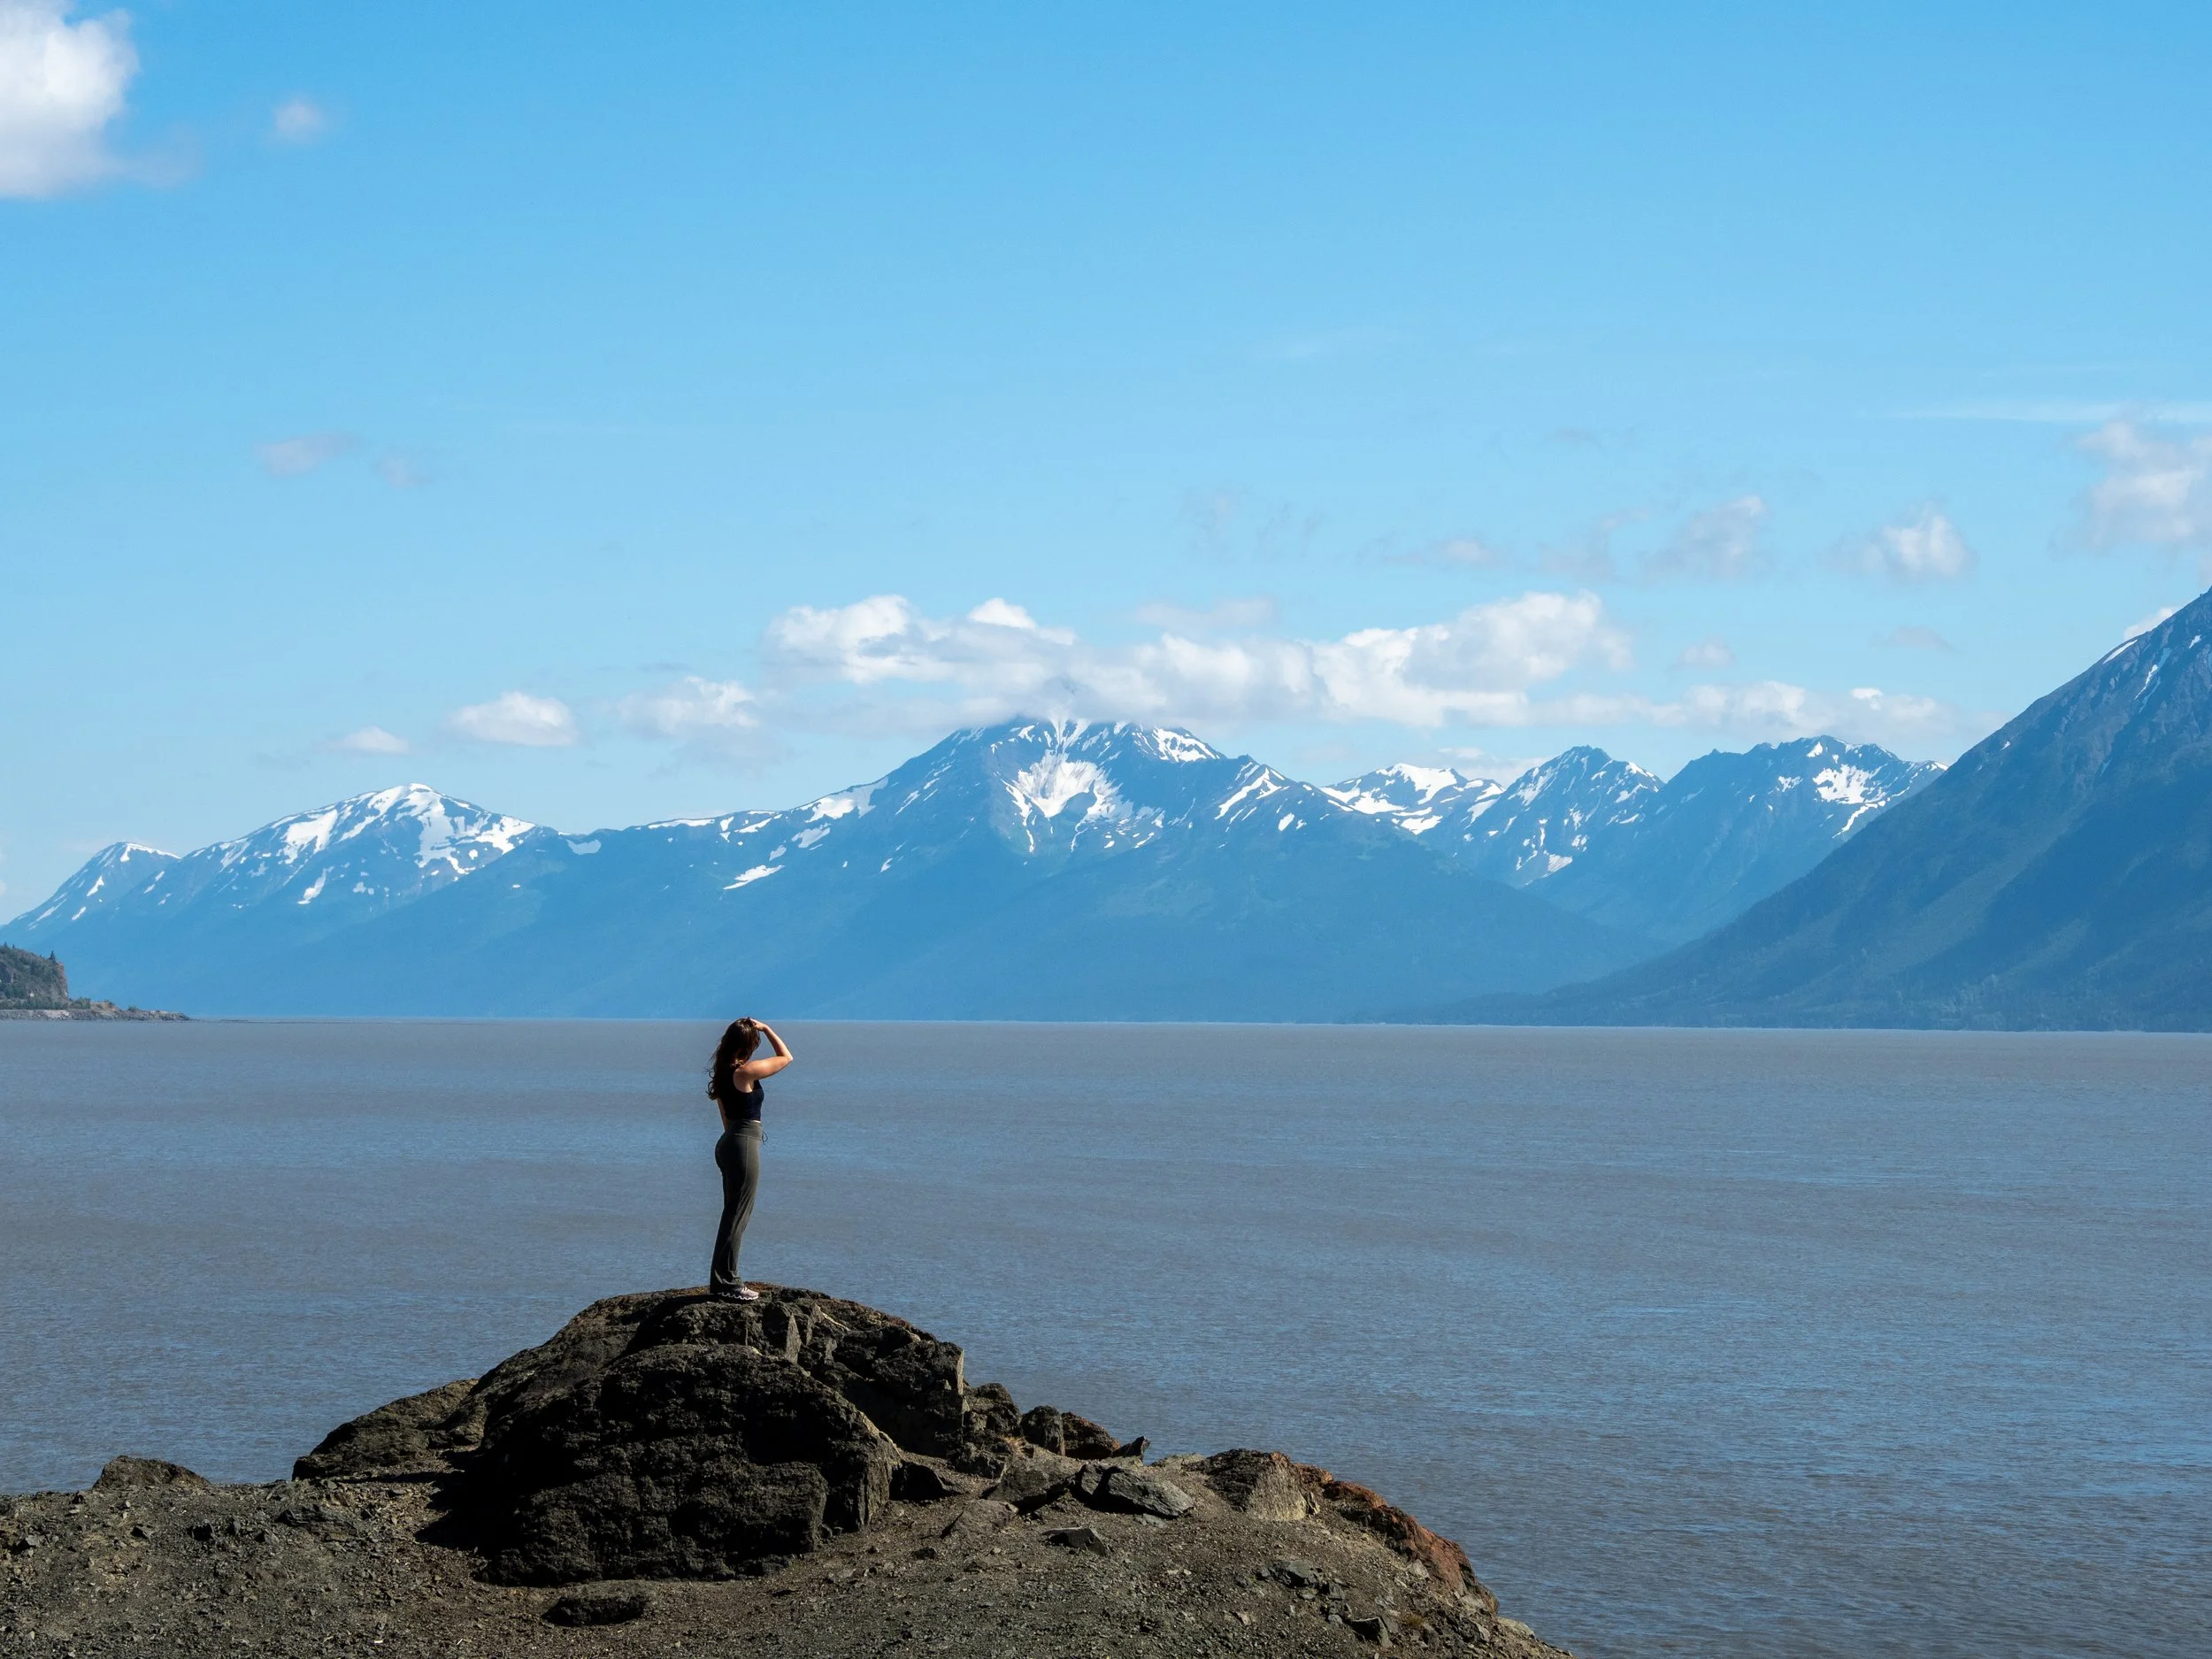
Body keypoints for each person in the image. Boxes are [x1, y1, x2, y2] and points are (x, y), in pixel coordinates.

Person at [705, 1016, 794, 1303]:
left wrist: (735, 1145)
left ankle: (722, 1280)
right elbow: (786, 1057)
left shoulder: (723, 1072)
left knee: (732, 1213)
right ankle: (727, 1283)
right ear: (748, 1043)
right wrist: (767, 1028)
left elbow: (725, 1119)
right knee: (737, 1215)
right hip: (743, 1144)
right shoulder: (746, 1072)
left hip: (729, 1142)